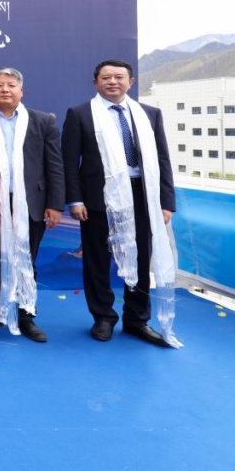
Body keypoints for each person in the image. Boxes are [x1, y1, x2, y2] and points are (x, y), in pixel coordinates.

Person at [62, 60, 179, 348]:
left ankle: (137, 319)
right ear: (95, 82)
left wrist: (166, 202)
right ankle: (103, 317)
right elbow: (69, 162)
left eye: (118, 77)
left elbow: (163, 159)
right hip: (97, 197)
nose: (112, 82)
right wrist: (75, 199)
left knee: (140, 258)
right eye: (105, 77)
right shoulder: (80, 114)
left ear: (131, 82)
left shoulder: (149, 114)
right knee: (97, 260)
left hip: (143, 196)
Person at [0, 68, 65, 343]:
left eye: (11, 85)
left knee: (27, 259)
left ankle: (26, 315)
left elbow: (54, 165)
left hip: (31, 203)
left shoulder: (42, 122)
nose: (5, 90)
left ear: (21, 91)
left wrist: (55, 204)